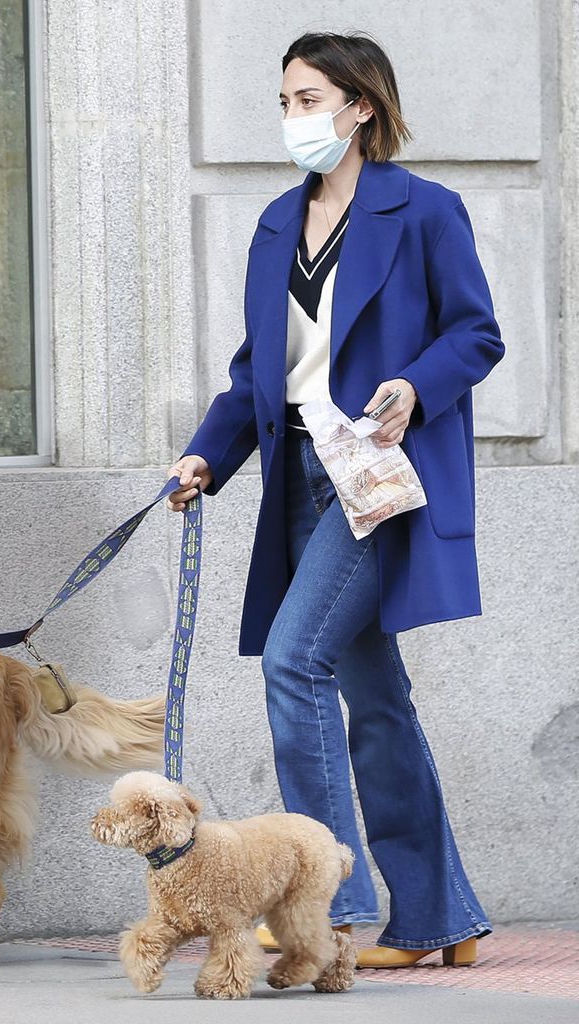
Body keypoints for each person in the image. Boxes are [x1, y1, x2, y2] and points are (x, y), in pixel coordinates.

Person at [167, 32, 503, 968]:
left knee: (293, 661)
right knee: (375, 696)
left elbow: (477, 334)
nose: (293, 118)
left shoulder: (424, 211)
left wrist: (415, 386)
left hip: (374, 479)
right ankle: (445, 917)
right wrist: (205, 459)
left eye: (309, 99)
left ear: (361, 107)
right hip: (302, 483)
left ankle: (329, 903)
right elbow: (255, 374)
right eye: (285, 101)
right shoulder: (279, 223)